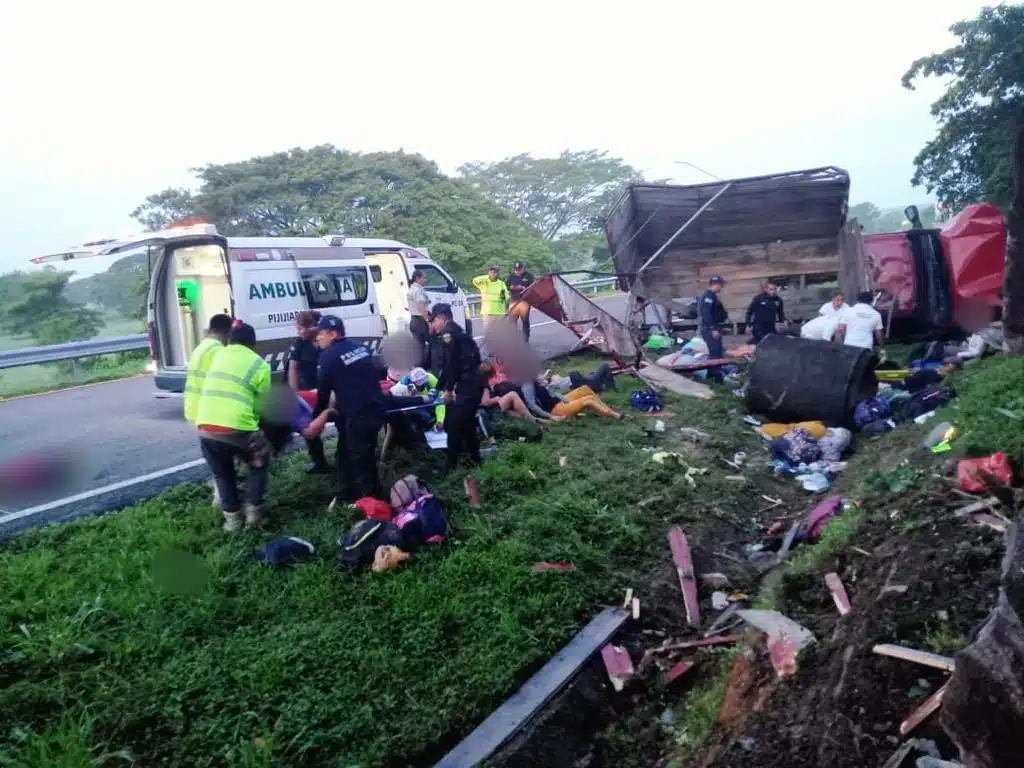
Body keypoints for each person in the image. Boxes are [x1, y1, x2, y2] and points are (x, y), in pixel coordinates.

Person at [194, 322, 272, 533]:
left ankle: (232, 522)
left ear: (230, 340)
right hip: (238, 429)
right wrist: (256, 429)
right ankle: (254, 515)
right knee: (259, 463)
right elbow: (260, 405)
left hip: (205, 427)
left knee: (223, 474)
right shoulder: (259, 365)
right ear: (254, 343)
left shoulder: (217, 356)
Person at [312, 315, 386, 501]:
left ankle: (374, 505)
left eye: (321, 333)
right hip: (374, 409)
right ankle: (347, 492)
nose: (317, 337)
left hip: (358, 415)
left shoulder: (327, 357)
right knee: (346, 453)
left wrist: (316, 418)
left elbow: (322, 394)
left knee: (361, 461)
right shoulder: (360, 347)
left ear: (334, 333)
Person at [430, 302, 484, 472]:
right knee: (466, 423)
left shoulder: (448, 334)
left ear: (442, 318)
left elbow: (452, 365)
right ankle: (475, 459)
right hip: (474, 383)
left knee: (452, 423)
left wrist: (447, 391)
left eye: (434, 321)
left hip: (468, 384)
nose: (432, 325)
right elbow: (448, 366)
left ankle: (451, 467)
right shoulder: (457, 330)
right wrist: (437, 388)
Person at [287, 310, 329, 473]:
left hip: (329, 390)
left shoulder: (324, 340)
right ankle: (319, 462)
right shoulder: (299, 343)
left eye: (300, 329)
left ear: (312, 327)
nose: (298, 332)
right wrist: (295, 394)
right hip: (309, 392)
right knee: (309, 426)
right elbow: (293, 367)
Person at [183, 313, 233, 424]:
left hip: (193, 409)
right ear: (227, 332)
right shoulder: (218, 351)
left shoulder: (200, 348)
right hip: (208, 413)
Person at [697, 276, 729, 381]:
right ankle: (716, 377)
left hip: (713, 327)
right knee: (715, 352)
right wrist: (713, 328)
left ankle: (717, 374)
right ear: (716, 284)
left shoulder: (713, 296)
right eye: (721, 284)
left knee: (718, 352)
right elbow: (706, 314)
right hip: (709, 329)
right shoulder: (709, 296)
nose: (722, 287)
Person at [472, 265, 509, 332]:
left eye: (495, 272)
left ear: (498, 273)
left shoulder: (501, 283)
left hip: (499, 311)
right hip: (488, 311)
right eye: (491, 272)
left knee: (500, 331)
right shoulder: (484, 282)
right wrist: (487, 277)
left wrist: (502, 297)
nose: (493, 274)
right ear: (488, 272)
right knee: (488, 331)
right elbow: (475, 280)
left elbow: (506, 296)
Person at [406, 269, 431, 367]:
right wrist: (428, 321)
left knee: (419, 347)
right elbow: (421, 306)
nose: (425, 280)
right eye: (424, 277)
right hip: (420, 320)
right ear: (417, 278)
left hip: (414, 320)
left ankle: (418, 367)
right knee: (434, 342)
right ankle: (435, 367)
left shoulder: (413, 289)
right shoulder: (417, 290)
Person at [506, 261, 535, 342]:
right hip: (513, 300)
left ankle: (526, 338)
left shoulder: (529, 276)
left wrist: (523, 288)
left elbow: (533, 287)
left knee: (525, 320)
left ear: (523, 268)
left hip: (524, 301)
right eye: (516, 270)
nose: (517, 271)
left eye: (519, 269)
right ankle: (513, 338)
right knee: (512, 321)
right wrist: (513, 288)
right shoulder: (511, 276)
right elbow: (507, 286)